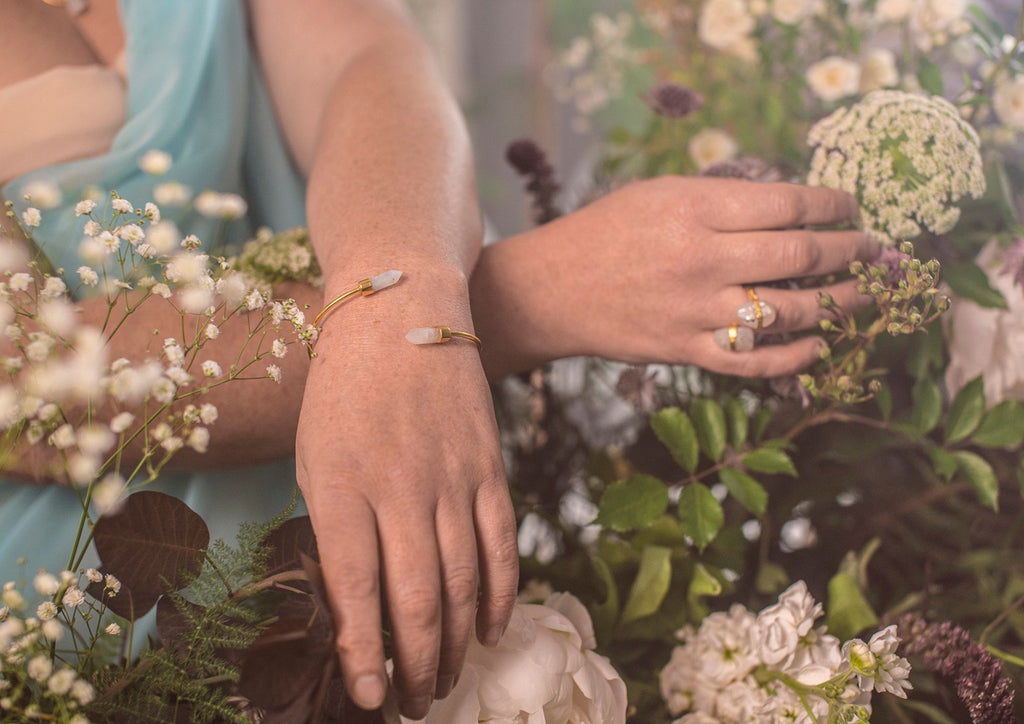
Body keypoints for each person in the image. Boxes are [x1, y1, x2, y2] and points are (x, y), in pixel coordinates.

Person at [0, 0, 878, 719]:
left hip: (380, 588)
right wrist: (540, 293)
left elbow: (370, 64)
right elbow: (23, 386)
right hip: (86, 647)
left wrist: (406, 290)